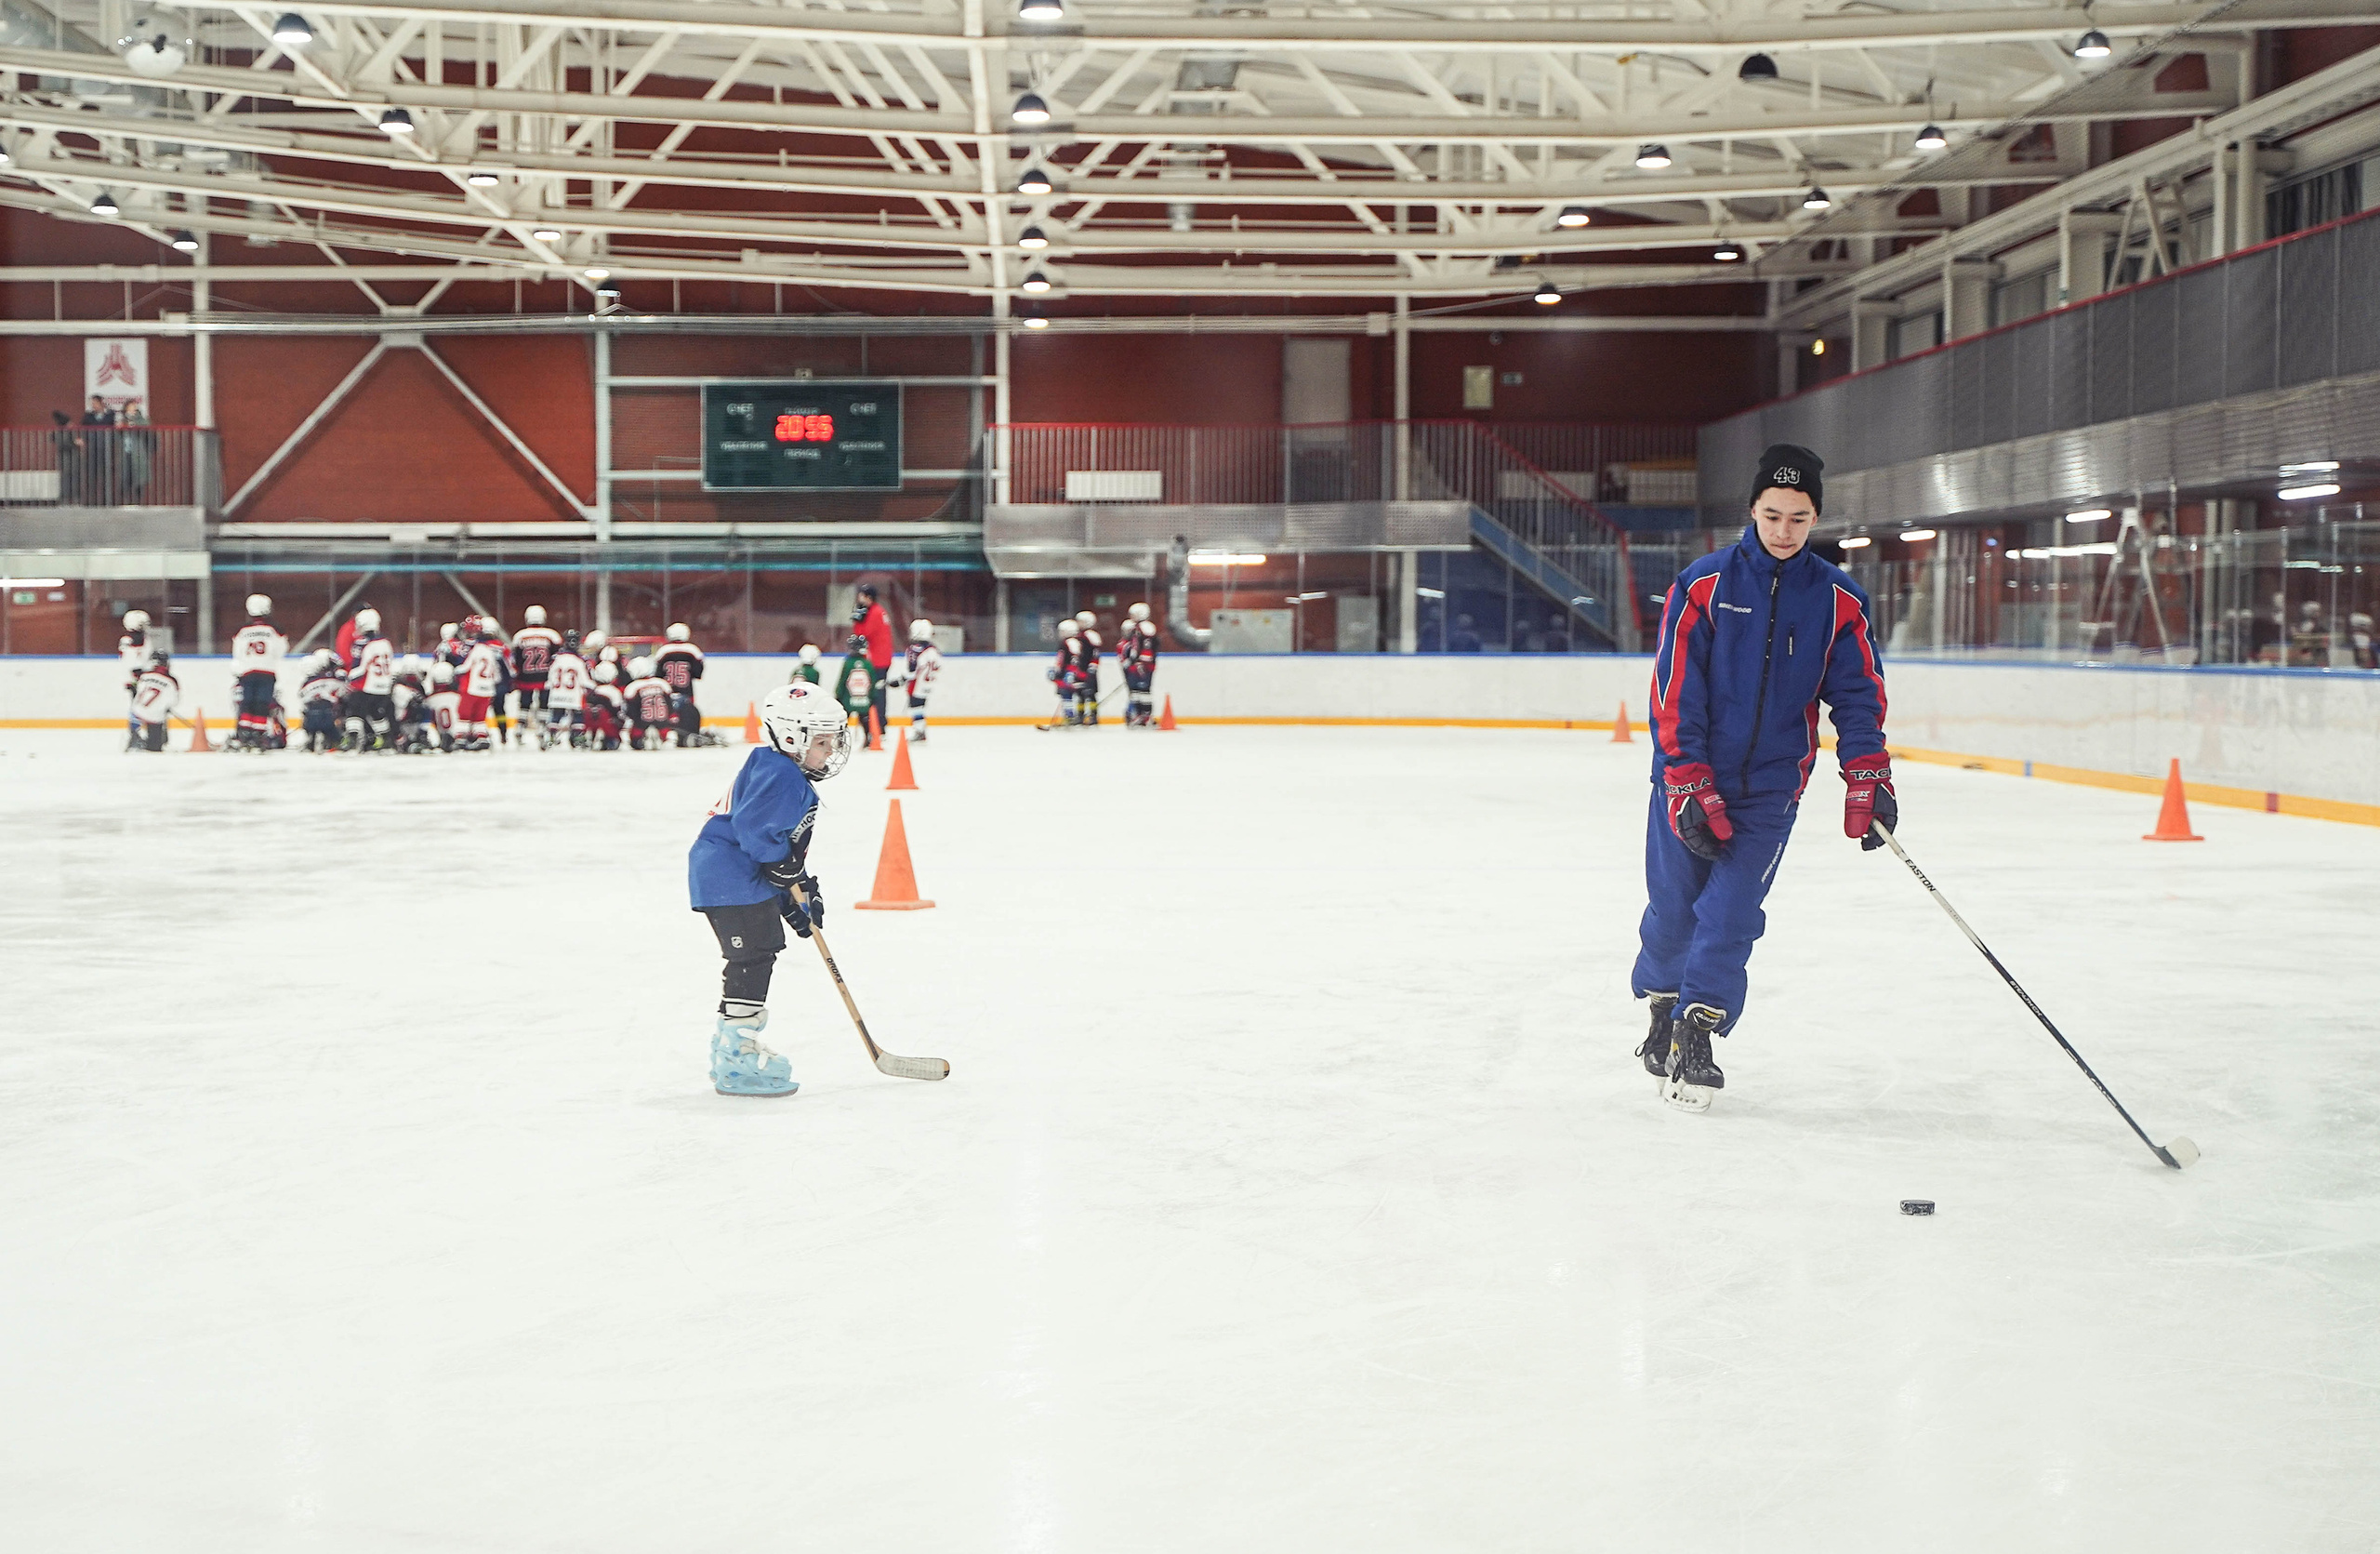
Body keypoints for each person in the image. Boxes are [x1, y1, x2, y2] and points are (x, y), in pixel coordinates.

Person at [1633, 444, 1892, 1112]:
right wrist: (1687, 778)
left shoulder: (1839, 600)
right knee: (1671, 916)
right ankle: (1662, 1009)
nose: (1784, 530)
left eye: (1799, 518)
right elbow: (1673, 688)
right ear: (1752, 509)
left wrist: (1867, 771)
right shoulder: (1705, 584)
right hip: (1687, 781)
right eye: (1773, 514)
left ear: (1815, 519)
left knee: (1730, 915)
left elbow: (1859, 694)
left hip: (1771, 788)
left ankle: (1699, 1029)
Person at [686, 680, 853, 1097]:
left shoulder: (777, 767)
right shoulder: (780, 774)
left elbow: (773, 844)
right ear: (794, 737)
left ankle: (731, 1046)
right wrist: (786, 874)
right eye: (823, 742)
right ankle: (736, 1055)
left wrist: (794, 891)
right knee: (753, 955)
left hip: (736, 875)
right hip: (728, 878)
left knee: (758, 952)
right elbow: (755, 834)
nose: (830, 750)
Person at [228, 593, 288, 751]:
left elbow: (238, 653)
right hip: (267, 672)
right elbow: (281, 651)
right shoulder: (275, 630)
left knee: (247, 703)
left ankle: (245, 734)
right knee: (262, 703)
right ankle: (258, 736)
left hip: (247, 672)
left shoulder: (241, 631)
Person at [343, 607, 397, 751]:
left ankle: (352, 740)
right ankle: (386, 739)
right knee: (376, 713)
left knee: (353, 710)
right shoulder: (386, 642)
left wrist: (348, 678)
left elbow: (360, 668)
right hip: (384, 685)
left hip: (367, 685)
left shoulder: (362, 643)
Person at [509, 605, 562, 738]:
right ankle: (542, 727)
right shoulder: (552, 635)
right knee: (544, 703)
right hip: (545, 676)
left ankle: (520, 727)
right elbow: (557, 657)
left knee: (524, 703)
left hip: (525, 677)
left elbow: (515, 659)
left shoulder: (520, 636)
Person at [456, 616, 508, 750]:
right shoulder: (491, 649)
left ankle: (461, 738)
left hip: (472, 687)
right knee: (480, 717)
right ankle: (481, 736)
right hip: (488, 689)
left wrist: (454, 672)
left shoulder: (475, 648)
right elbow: (497, 673)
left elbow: (465, 666)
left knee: (465, 715)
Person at [850, 584, 894, 733]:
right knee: (878, 691)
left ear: (868, 597)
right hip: (881, 658)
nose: (859, 598)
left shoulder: (874, 613)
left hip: (877, 660)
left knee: (876, 692)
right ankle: (878, 723)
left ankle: (879, 724)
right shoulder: (878, 611)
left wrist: (858, 621)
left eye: (861, 595)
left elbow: (862, 635)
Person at [654, 622, 706, 746]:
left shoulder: (663, 651)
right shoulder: (693, 650)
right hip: (686, 691)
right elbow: (698, 673)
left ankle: (661, 736)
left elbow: (657, 675)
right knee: (688, 715)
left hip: (667, 692)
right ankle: (684, 737)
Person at [892, 618, 942, 742]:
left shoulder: (914, 649)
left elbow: (912, 672)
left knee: (916, 707)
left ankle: (919, 731)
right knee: (921, 707)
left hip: (917, 684)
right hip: (928, 684)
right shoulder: (933, 649)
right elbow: (939, 666)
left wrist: (900, 681)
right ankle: (921, 730)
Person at [545, 631, 589, 748]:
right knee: (578, 716)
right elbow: (585, 680)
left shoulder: (556, 658)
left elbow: (550, 678)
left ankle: (550, 737)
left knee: (556, 716)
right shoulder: (580, 660)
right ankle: (578, 738)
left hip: (557, 694)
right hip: (574, 695)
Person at [623, 656, 677, 749]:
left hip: (641, 725)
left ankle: (643, 739)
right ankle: (665, 737)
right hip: (663, 725)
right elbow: (670, 707)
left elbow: (630, 712)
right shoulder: (663, 683)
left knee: (634, 741)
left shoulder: (632, 687)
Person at [128, 650, 178, 751]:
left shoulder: (144, 675)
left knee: (136, 711)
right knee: (155, 747)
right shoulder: (171, 681)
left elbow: (137, 691)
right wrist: (165, 707)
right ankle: (156, 742)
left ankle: (134, 737)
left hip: (136, 713)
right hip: (155, 717)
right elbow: (174, 701)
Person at [298, 651, 346, 752]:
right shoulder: (331, 678)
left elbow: (302, 697)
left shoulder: (308, 683)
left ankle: (312, 741)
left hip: (319, 713)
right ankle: (336, 740)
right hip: (329, 712)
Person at [832, 632, 880, 734]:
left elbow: (843, 680)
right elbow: (872, 682)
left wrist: (838, 694)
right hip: (864, 699)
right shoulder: (868, 663)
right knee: (865, 718)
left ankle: (840, 738)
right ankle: (869, 736)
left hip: (847, 698)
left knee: (843, 719)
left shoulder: (848, 663)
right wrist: (873, 696)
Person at [117, 608, 152, 742]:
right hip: (134, 679)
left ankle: (145, 734)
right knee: (136, 706)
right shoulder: (127, 640)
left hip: (144, 678)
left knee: (144, 706)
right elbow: (130, 660)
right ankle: (134, 735)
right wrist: (138, 674)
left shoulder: (144, 638)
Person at [1123, 617, 1159, 726]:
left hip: (1143, 666)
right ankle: (1140, 715)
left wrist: (1137, 660)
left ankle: (1145, 716)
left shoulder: (1143, 630)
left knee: (1143, 691)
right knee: (1137, 692)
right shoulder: (1141, 630)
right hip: (1140, 666)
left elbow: (1143, 649)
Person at [586, 661, 626, 750]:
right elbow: (618, 711)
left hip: (589, 723)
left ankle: (589, 738)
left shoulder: (592, 690)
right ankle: (610, 739)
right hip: (607, 723)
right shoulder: (614, 691)